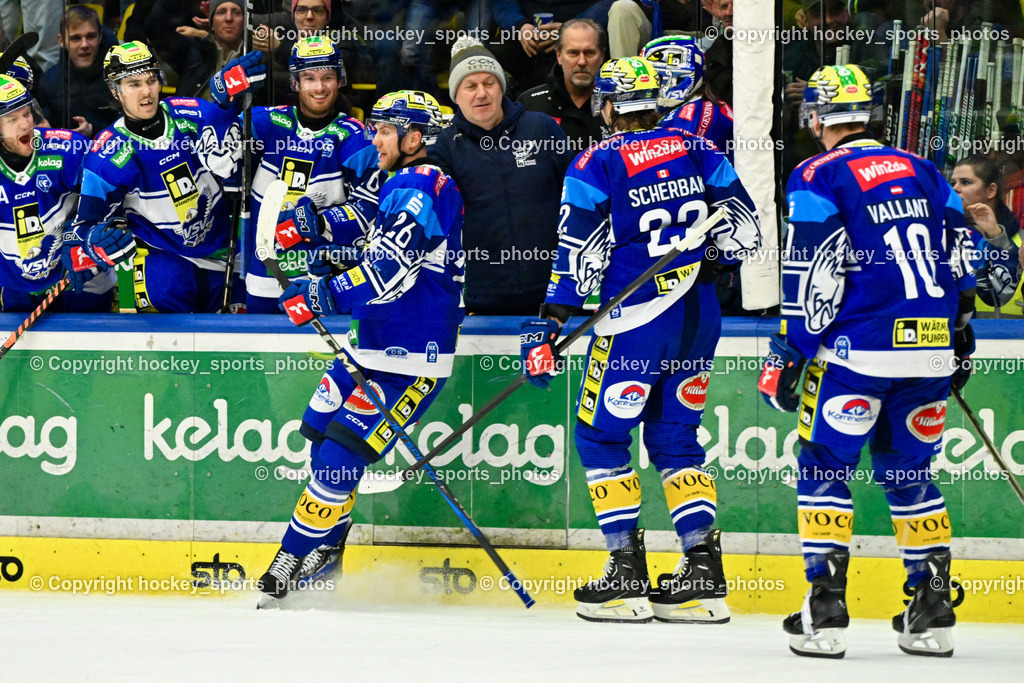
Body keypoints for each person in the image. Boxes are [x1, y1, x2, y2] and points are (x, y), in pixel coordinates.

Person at [520, 56, 760, 623]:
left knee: (601, 438)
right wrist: (713, 259)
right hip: (699, 313)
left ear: (608, 106)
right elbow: (745, 232)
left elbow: (577, 250)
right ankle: (703, 575)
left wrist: (553, 321)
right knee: (677, 440)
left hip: (634, 318)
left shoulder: (596, 160)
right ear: (659, 102)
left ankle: (627, 575)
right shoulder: (701, 151)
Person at [760, 65, 977, 659]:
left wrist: (788, 351)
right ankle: (931, 612)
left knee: (826, 466)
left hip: (857, 351)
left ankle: (825, 610)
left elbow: (809, 268)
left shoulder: (817, 174)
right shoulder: (925, 170)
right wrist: (957, 333)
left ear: (817, 119)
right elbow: (965, 255)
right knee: (911, 475)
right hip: (928, 345)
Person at [257, 90, 464, 604]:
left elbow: (388, 269)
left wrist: (321, 291)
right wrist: (318, 240)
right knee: (317, 439)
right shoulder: (396, 181)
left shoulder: (425, 185)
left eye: (385, 131)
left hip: (411, 359)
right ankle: (328, 552)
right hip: (365, 349)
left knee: (338, 461)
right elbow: (368, 239)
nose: (375, 139)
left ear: (415, 138)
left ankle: (288, 557)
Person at [68, 41, 264, 313]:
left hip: (226, 253)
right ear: (115, 91)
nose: (147, 91)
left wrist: (223, 101)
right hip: (167, 261)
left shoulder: (189, 113)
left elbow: (224, 148)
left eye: (151, 80)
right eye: (134, 84)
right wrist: (92, 243)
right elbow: (84, 226)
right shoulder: (105, 156)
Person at [429, 37, 574, 315]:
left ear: (502, 87)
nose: (481, 93)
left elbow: (575, 202)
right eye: (470, 86)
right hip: (481, 298)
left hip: (553, 294)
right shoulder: (445, 146)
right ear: (456, 96)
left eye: (489, 83)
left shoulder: (542, 128)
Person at [243, 35, 381, 313]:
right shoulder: (269, 122)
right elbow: (215, 147)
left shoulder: (356, 138)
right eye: (309, 78)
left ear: (340, 80)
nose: (319, 87)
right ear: (295, 83)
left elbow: (371, 209)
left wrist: (322, 221)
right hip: (264, 275)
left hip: (321, 282)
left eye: (327, 77)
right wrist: (224, 103)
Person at [0, 74, 114, 312]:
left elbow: (113, 197)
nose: (25, 125)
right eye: (12, 119)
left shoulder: (67, 149)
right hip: (13, 285)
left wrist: (87, 237)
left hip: (82, 279)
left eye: (27, 113)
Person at [518, 18, 609, 153]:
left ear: (601, 57)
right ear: (559, 56)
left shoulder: (617, 105)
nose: (582, 61)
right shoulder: (530, 105)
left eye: (590, 53)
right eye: (573, 53)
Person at [951, 155, 1023, 317]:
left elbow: (999, 294)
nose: (955, 188)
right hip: (960, 337)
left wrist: (996, 236)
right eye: (953, 183)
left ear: (991, 190)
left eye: (966, 182)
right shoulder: (946, 237)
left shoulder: (1021, 240)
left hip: (1015, 338)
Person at [37, 5, 119, 137]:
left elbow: (129, 128)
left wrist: (93, 130)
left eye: (91, 36)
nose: (84, 45)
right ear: (61, 41)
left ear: (100, 37)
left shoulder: (118, 77)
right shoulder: (48, 82)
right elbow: (46, 127)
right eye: (76, 38)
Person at [147, 0, 246, 100]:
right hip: (190, 114)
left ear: (244, 23)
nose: (229, 18)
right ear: (211, 23)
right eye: (221, 12)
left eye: (236, 13)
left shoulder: (255, 55)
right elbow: (155, 30)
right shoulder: (195, 49)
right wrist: (206, 36)